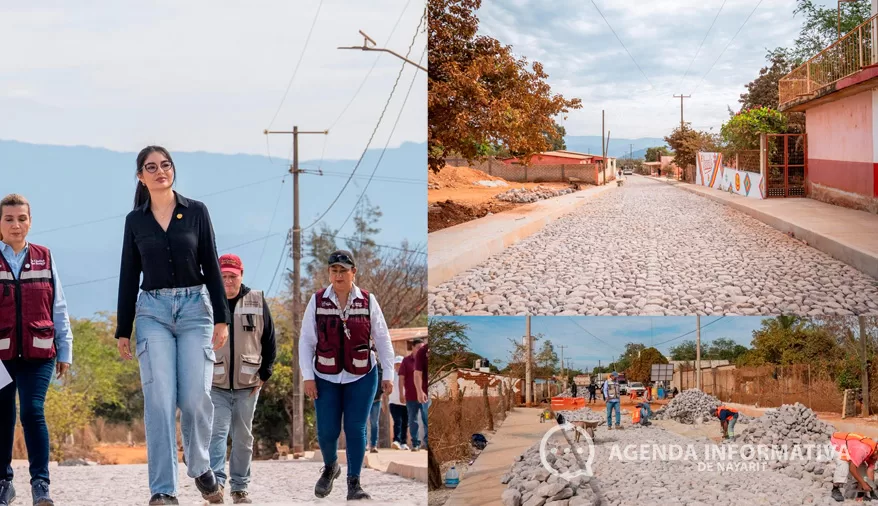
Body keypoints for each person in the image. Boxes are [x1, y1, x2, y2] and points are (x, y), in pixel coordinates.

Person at [115, 146, 231, 505]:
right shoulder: (136, 221)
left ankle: (199, 466)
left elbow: (211, 264)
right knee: (160, 401)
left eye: (166, 165)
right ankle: (163, 490)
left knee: (196, 396)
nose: (160, 171)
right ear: (141, 176)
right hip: (153, 313)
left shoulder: (196, 212)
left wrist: (223, 317)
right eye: (152, 167)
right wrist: (124, 327)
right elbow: (128, 273)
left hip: (197, 309)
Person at [299, 250, 394, 501]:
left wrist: (389, 374)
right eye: (334, 271)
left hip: (362, 374)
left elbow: (383, 338)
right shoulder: (317, 301)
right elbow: (306, 342)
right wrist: (308, 376)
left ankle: (354, 483)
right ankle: (331, 466)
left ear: (354, 272)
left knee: (355, 427)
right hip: (325, 375)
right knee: (327, 431)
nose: (338, 275)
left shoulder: (368, 300)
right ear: (329, 273)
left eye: (343, 270)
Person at [0, 194, 73, 506]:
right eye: (9, 219)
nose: (17, 225)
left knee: (32, 411)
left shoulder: (45, 256)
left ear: (30, 221)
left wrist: (66, 351)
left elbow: (58, 305)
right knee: (3, 415)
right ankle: (4, 482)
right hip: (1, 356)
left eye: (22, 218)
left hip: (39, 352)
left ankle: (40, 484)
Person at [208, 254, 276, 504]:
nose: (227, 281)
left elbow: (269, 338)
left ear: (241, 275)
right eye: (223, 276)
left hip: (248, 383)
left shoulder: (256, 300)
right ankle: (216, 486)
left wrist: (265, 372)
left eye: (232, 276)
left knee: (243, 436)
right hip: (216, 382)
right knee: (217, 433)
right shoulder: (209, 299)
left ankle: (240, 487)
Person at [829, 432, 878, 502]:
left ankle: (861, 494)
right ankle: (835, 489)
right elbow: (852, 469)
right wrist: (863, 484)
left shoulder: (874, 453)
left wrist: (871, 489)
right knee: (844, 464)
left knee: (863, 470)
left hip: (852, 448)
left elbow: (870, 470)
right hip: (837, 443)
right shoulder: (863, 450)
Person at [399, 339, 425, 452]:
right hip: (411, 396)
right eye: (419, 347)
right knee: (412, 421)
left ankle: (427, 443)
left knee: (426, 418)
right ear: (413, 347)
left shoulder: (425, 360)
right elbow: (401, 379)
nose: (421, 349)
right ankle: (415, 443)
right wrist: (401, 393)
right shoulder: (406, 361)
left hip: (425, 396)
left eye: (423, 347)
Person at [389, 356, 410, 450]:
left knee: (405, 423)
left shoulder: (408, 375)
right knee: (397, 421)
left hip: (406, 403)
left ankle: (404, 442)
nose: (399, 366)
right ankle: (396, 441)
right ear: (394, 365)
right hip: (394, 403)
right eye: (397, 364)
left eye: (400, 364)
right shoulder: (391, 376)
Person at [413, 337, 429, 449]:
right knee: (426, 418)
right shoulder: (422, 352)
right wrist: (419, 391)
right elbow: (417, 374)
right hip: (426, 392)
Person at [367, 362, 384, 454]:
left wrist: (381, 394)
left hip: (376, 399)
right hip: (365, 399)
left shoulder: (379, 367)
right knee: (364, 423)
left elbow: (382, 382)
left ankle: (373, 445)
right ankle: (365, 444)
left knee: (374, 423)